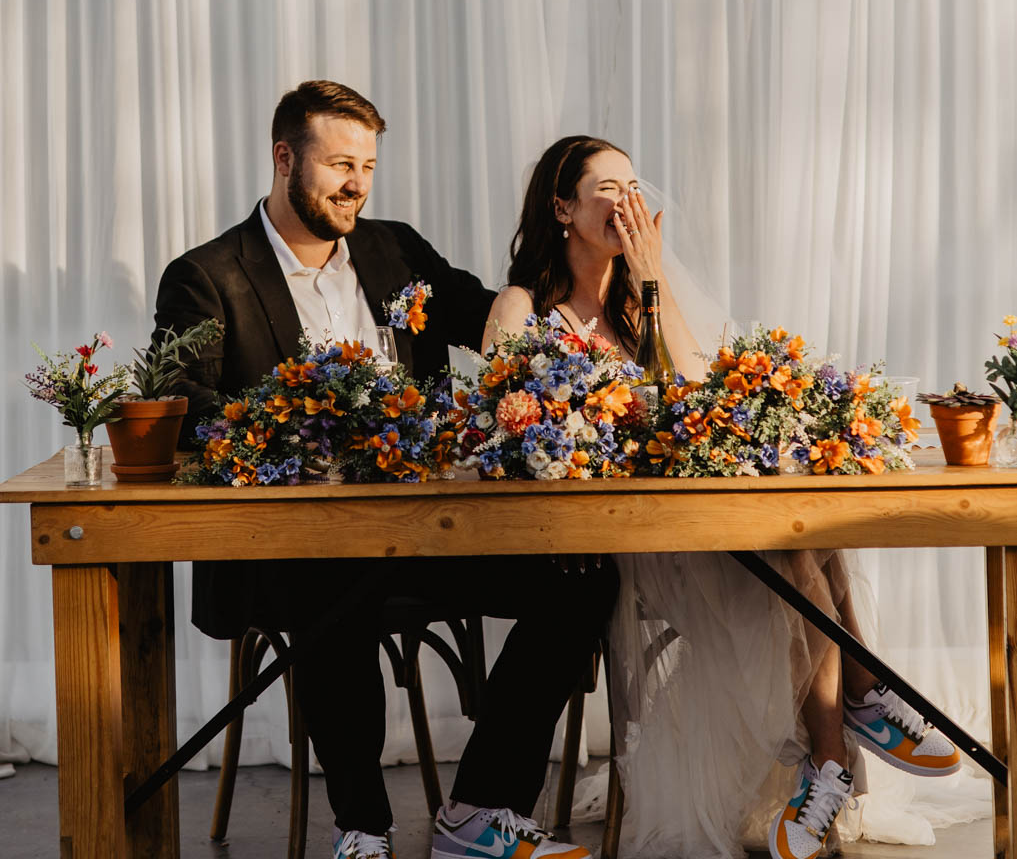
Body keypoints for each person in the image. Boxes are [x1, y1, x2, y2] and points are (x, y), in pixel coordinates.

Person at [153, 83, 618, 859]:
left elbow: (492, 315)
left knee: (581, 578)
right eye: (339, 164)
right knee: (333, 579)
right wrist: (294, 420)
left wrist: (591, 285)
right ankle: (362, 829)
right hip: (286, 546)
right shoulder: (207, 274)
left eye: (367, 166)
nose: (357, 184)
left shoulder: (393, 250)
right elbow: (177, 399)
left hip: (422, 531)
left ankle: (479, 809)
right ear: (284, 158)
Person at [485, 134, 961, 859]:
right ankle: (861, 704)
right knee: (795, 548)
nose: (627, 203)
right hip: (619, 546)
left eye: (633, 186)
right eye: (606, 189)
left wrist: (653, 281)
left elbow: (703, 396)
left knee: (802, 533)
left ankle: (830, 762)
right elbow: (509, 430)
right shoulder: (522, 307)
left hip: (696, 523)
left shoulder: (637, 301)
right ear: (562, 208)